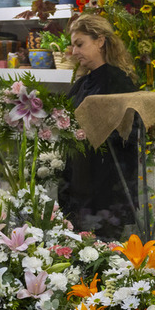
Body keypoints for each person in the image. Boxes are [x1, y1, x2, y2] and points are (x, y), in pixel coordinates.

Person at [58, 13, 140, 239]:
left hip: (107, 184)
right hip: (81, 180)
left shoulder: (119, 82)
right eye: (73, 45)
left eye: (80, 44)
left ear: (100, 41)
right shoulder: (82, 84)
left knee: (103, 250)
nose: (74, 52)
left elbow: (130, 132)